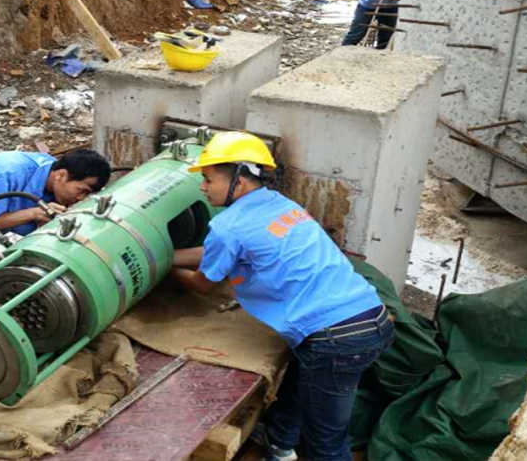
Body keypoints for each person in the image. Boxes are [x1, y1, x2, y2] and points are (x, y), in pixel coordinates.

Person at [169, 132, 394, 461]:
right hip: (372, 317)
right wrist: (170, 255)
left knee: (325, 444)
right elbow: (220, 252)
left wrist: (159, 265)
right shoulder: (281, 205)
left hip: (335, 339)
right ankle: (279, 444)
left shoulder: (229, 226)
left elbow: (204, 283)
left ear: (240, 182)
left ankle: (289, 446)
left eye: (208, 179)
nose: (203, 187)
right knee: (300, 385)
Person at [0, 149, 112, 275]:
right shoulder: (6, 173)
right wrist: (33, 214)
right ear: (61, 175)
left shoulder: (52, 175)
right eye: (82, 190)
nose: (81, 198)